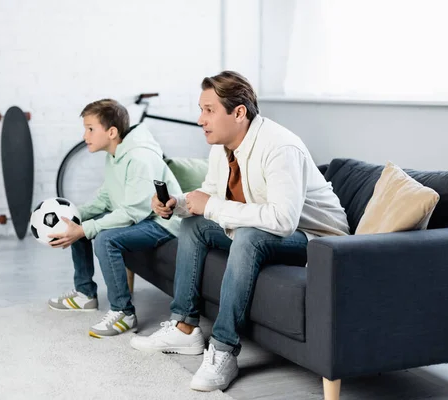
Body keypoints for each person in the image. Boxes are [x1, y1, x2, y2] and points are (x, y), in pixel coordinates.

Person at [130, 71, 349, 391]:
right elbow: (210, 197)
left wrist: (210, 206)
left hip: (316, 238)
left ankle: (223, 349)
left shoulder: (280, 146)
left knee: (247, 236)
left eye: (209, 110)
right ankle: (185, 328)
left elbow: (283, 220)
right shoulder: (222, 147)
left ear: (239, 112)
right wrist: (176, 204)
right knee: (193, 225)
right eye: (200, 109)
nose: (200, 119)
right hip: (269, 226)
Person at [47, 99, 182, 338]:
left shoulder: (139, 158)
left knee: (104, 239)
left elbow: (133, 212)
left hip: (162, 223)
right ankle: (85, 294)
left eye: (90, 129)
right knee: (79, 225)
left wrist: (86, 229)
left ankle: (124, 312)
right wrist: (73, 215)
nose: (85, 135)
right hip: (142, 218)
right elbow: (107, 197)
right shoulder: (114, 154)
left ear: (111, 132)